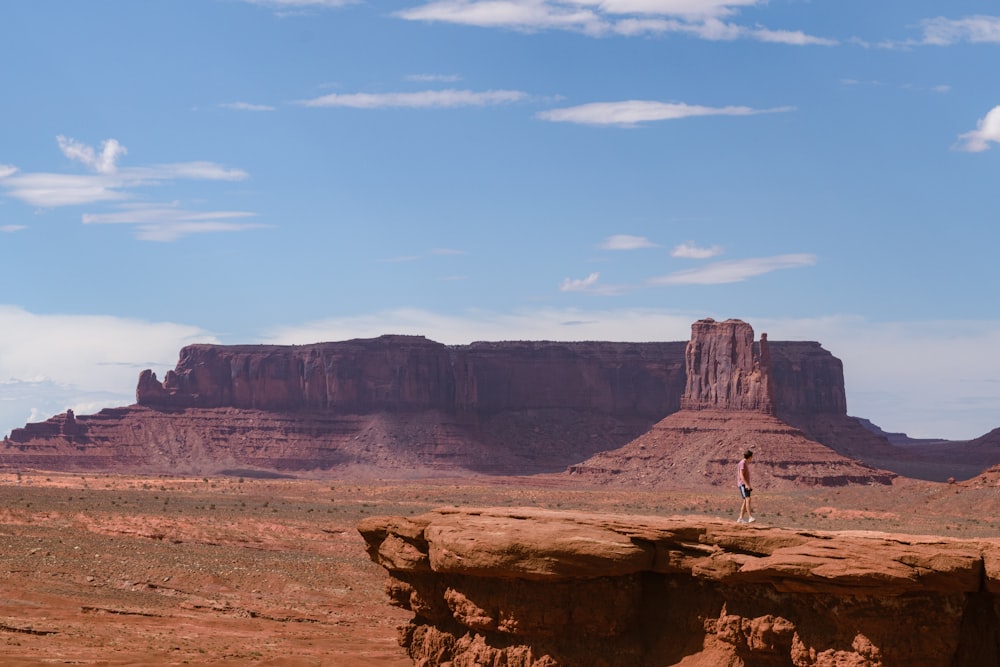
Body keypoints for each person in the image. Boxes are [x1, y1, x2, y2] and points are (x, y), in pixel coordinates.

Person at [737, 450, 755, 524]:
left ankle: (740, 518)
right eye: (752, 457)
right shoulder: (743, 463)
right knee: (748, 499)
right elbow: (741, 475)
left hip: (745, 484)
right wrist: (746, 484)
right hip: (743, 484)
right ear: (750, 457)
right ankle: (750, 517)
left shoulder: (745, 463)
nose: (752, 458)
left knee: (745, 500)